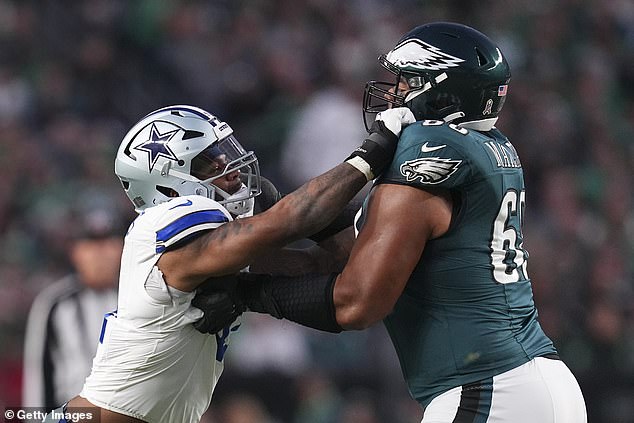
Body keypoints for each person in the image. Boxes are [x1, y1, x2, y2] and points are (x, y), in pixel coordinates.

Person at [195, 22, 588, 422]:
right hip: (533, 381)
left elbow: (357, 303)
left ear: (440, 91)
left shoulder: (429, 149)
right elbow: (360, 248)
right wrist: (263, 245)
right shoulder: (490, 148)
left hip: (490, 387)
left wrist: (250, 295)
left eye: (406, 82)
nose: (393, 93)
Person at [43, 104, 414, 423]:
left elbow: (324, 262)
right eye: (208, 161)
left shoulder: (207, 250)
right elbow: (289, 222)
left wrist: (401, 200)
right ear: (169, 186)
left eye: (221, 152)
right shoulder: (163, 222)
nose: (228, 165)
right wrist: (369, 157)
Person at [22, 200, 125, 412]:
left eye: (108, 243)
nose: (100, 254)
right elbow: (39, 374)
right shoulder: (55, 303)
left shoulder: (136, 298)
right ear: (75, 252)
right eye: (91, 245)